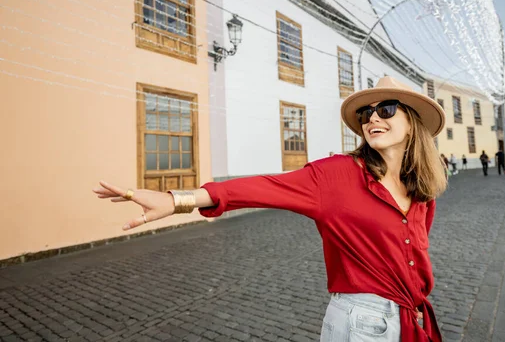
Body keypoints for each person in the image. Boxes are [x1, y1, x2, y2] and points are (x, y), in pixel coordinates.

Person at [93, 76, 448, 342]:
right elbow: (263, 188)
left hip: (411, 320)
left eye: (385, 109)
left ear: (412, 121)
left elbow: (414, 255)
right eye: (366, 113)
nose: (372, 119)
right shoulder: (336, 175)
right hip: (362, 323)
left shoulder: (422, 191)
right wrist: (176, 200)